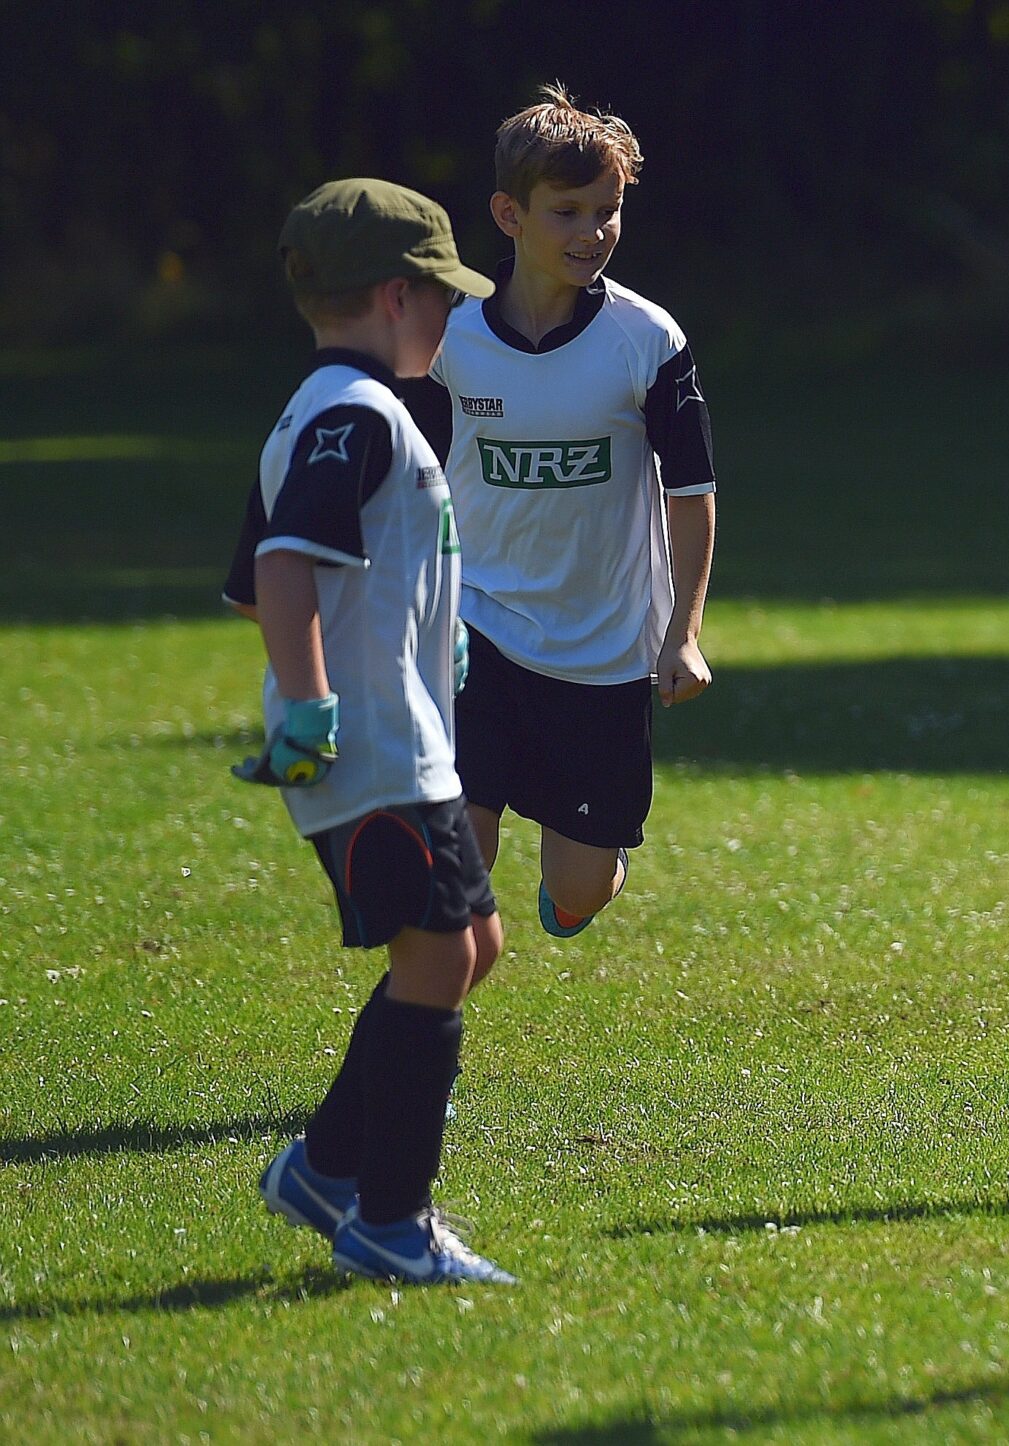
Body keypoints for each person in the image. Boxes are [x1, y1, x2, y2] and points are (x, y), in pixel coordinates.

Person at [226, 178, 514, 1284]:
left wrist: (403, 635)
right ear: (398, 296)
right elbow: (281, 568)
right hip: (370, 747)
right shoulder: (355, 414)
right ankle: (391, 1223)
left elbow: (261, 581)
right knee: (438, 956)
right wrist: (311, 706)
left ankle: (325, 1169)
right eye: (443, 295)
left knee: (471, 948)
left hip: (408, 739)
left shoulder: (317, 408)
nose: (452, 318)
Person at [410, 82, 718, 939]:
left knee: (580, 887)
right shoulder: (451, 336)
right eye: (568, 212)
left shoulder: (646, 341)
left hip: (603, 647)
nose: (593, 233)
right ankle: (433, 1018)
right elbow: (412, 480)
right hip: (477, 627)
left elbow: (691, 493)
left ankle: (573, 890)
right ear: (509, 215)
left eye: (608, 212)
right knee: (457, 864)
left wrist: (681, 632)